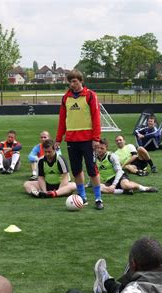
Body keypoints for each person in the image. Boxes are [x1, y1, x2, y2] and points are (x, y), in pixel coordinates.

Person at [55, 69, 103, 210]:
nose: (72, 84)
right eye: (70, 82)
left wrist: (96, 138)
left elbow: (96, 118)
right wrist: (58, 139)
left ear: (81, 81)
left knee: (92, 170)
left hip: (88, 140)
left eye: (75, 81)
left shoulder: (90, 96)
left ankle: (98, 198)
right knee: (76, 170)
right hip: (71, 140)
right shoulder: (65, 98)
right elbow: (62, 120)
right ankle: (82, 197)